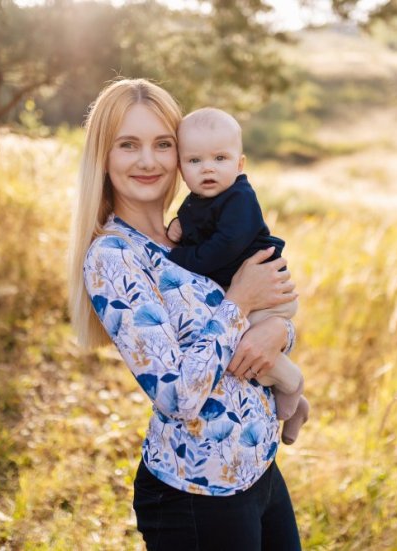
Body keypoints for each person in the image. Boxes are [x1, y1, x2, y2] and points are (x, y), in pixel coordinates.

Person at [68, 78, 302, 550]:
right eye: (128, 145)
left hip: (258, 469)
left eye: (163, 144)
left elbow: (260, 321)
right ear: (103, 156)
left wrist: (279, 329)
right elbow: (177, 395)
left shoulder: (189, 231)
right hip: (198, 496)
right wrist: (239, 301)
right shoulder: (115, 258)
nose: (148, 160)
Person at [165, 107, 310, 445]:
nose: (208, 168)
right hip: (251, 293)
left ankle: (291, 384)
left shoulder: (240, 198)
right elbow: (195, 225)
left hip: (270, 294)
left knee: (238, 346)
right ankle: (295, 406)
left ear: (240, 164)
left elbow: (224, 245)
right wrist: (178, 225)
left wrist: (182, 256)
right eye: (195, 161)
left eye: (220, 158)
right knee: (235, 342)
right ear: (181, 168)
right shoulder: (198, 201)